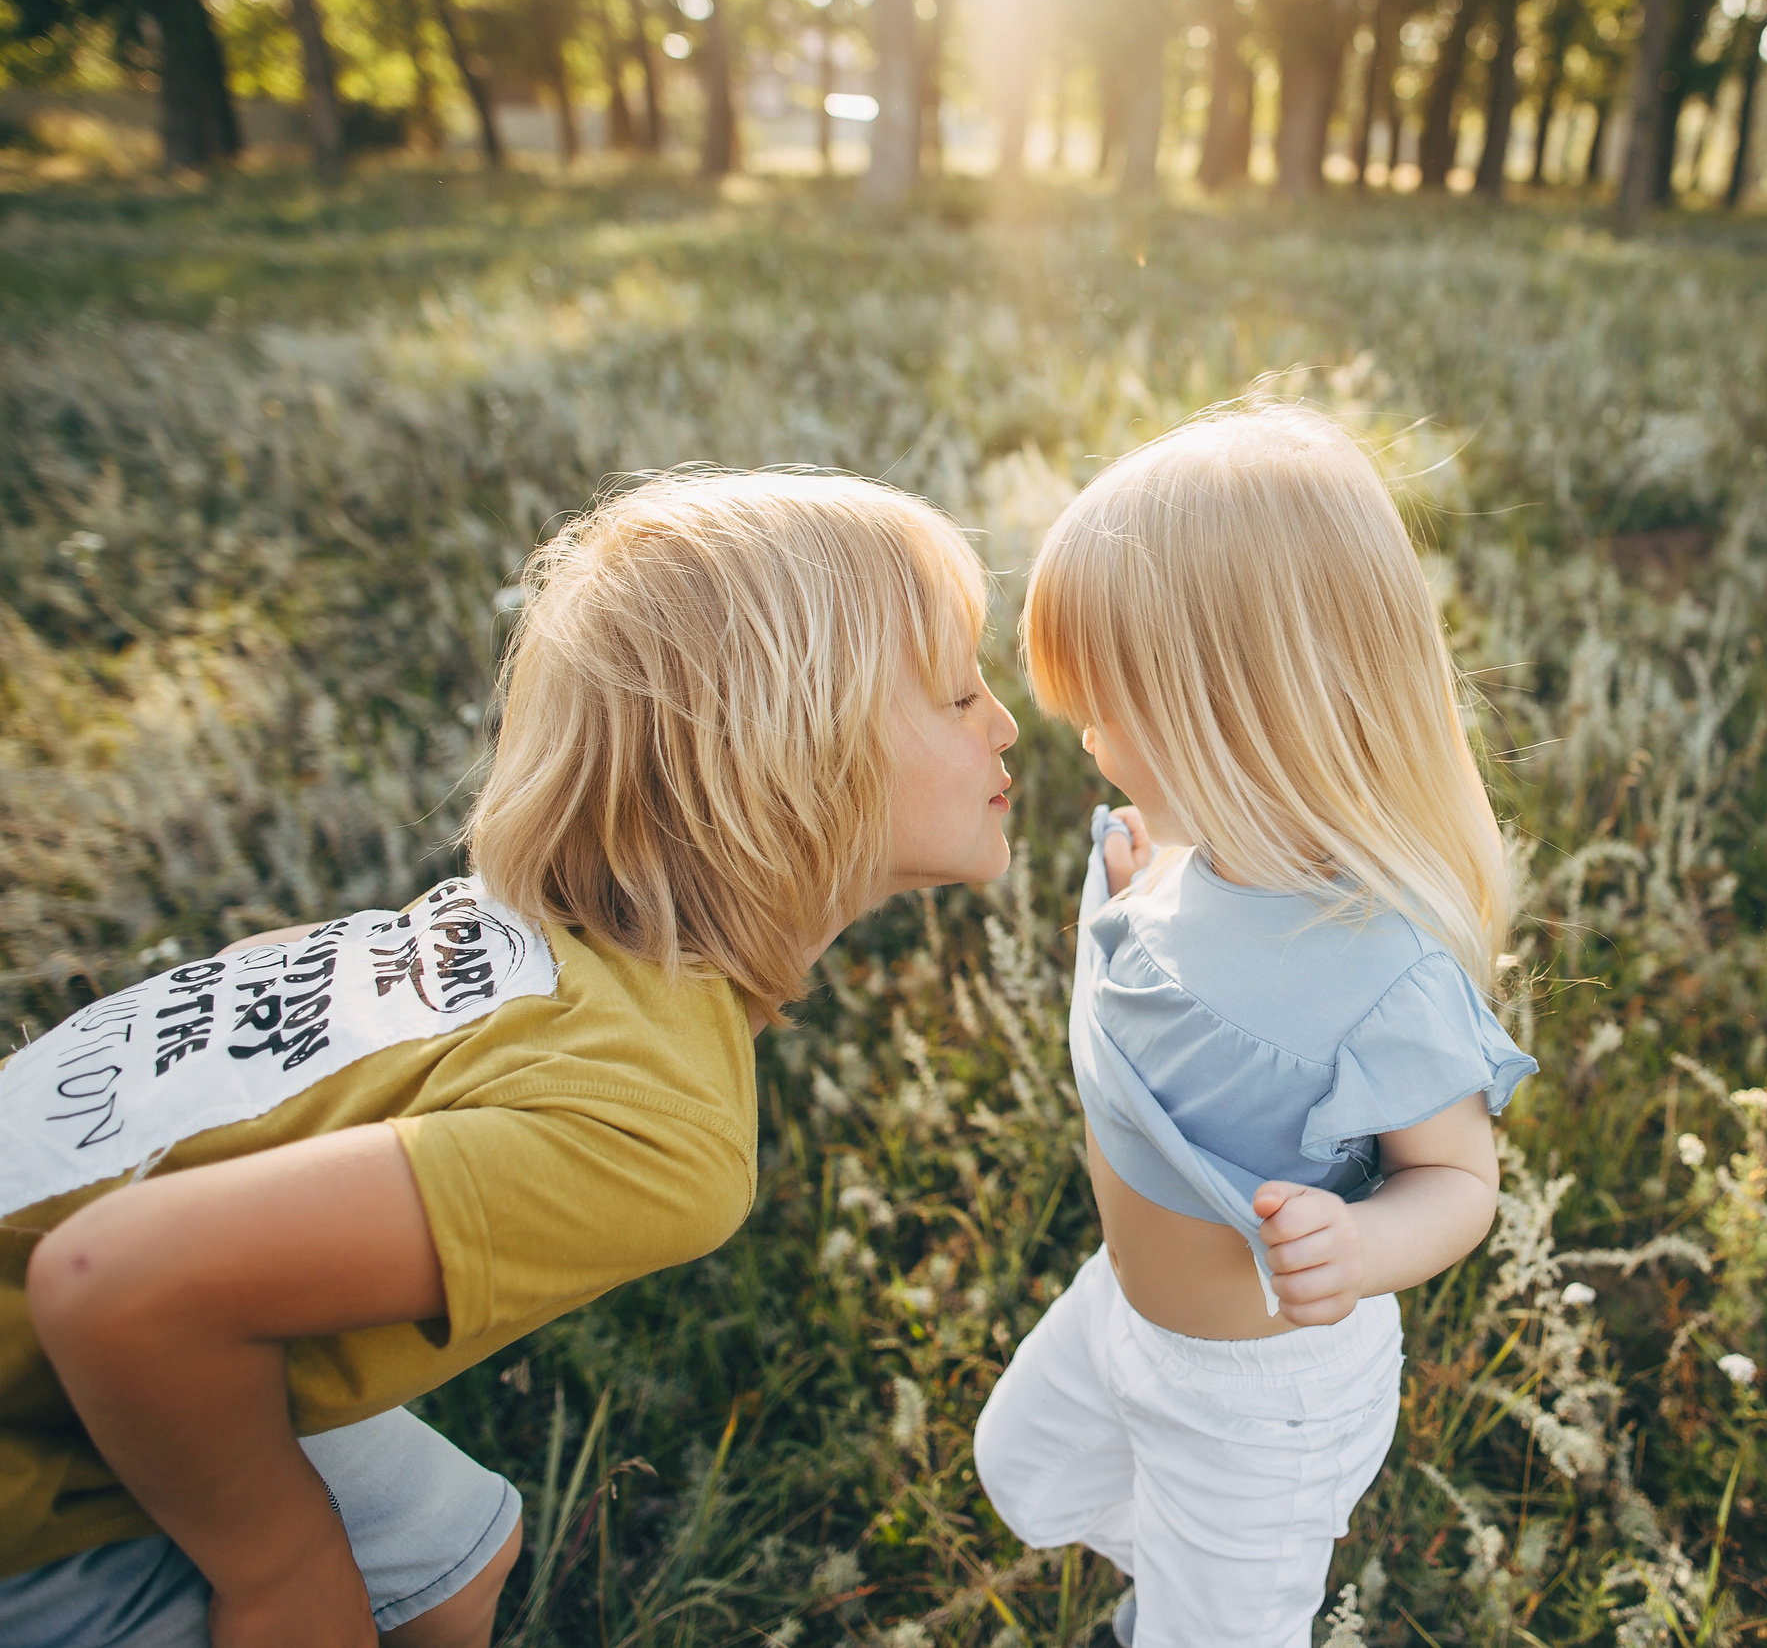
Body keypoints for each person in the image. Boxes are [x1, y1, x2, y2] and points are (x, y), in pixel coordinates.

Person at [0, 470, 1019, 1648]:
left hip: (122, 1307)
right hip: (39, 1442)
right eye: (956, 694)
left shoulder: (511, 933)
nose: (1002, 720)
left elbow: (261, 972)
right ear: (789, 763)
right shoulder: (653, 1133)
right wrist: (279, 1570)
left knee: (446, 1557)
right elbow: (111, 1285)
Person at [972, 406, 1536, 1648]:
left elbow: (1458, 1183)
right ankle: (1180, 1583)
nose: (1080, 734)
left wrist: (1364, 1240)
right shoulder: (1168, 861)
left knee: (1218, 1625)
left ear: (1230, 709)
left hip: (1260, 1394)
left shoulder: (1374, 971)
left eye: (1105, 705)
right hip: (1123, 1307)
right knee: (1023, 1468)